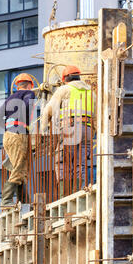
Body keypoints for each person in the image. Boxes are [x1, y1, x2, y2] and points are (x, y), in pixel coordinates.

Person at [40, 65, 96, 197]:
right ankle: (78, 193)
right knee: (80, 163)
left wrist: (44, 129)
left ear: (65, 79)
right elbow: (97, 117)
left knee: (63, 161)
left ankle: (64, 195)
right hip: (87, 130)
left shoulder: (64, 89)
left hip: (70, 128)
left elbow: (48, 110)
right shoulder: (91, 92)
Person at [0, 73, 36, 205]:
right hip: (18, 134)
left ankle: (23, 201)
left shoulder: (10, 98)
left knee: (20, 167)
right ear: (30, 85)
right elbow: (28, 105)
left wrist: (9, 125)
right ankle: (6, 200)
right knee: (19, 167)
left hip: (8, 135)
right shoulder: (29, 94)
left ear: (17, 86)